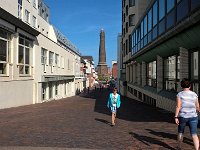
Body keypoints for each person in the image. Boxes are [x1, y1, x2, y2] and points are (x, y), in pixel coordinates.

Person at [175, 78, 200, 150]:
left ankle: (179, 147)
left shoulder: (179, 94)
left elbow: (178, 106)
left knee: (180, 132)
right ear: (190, 86)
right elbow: (197, 106)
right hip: (193, 116)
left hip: (183, 116)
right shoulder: (194, 94)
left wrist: (176, 117)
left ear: (181, 86)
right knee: (194, 134)